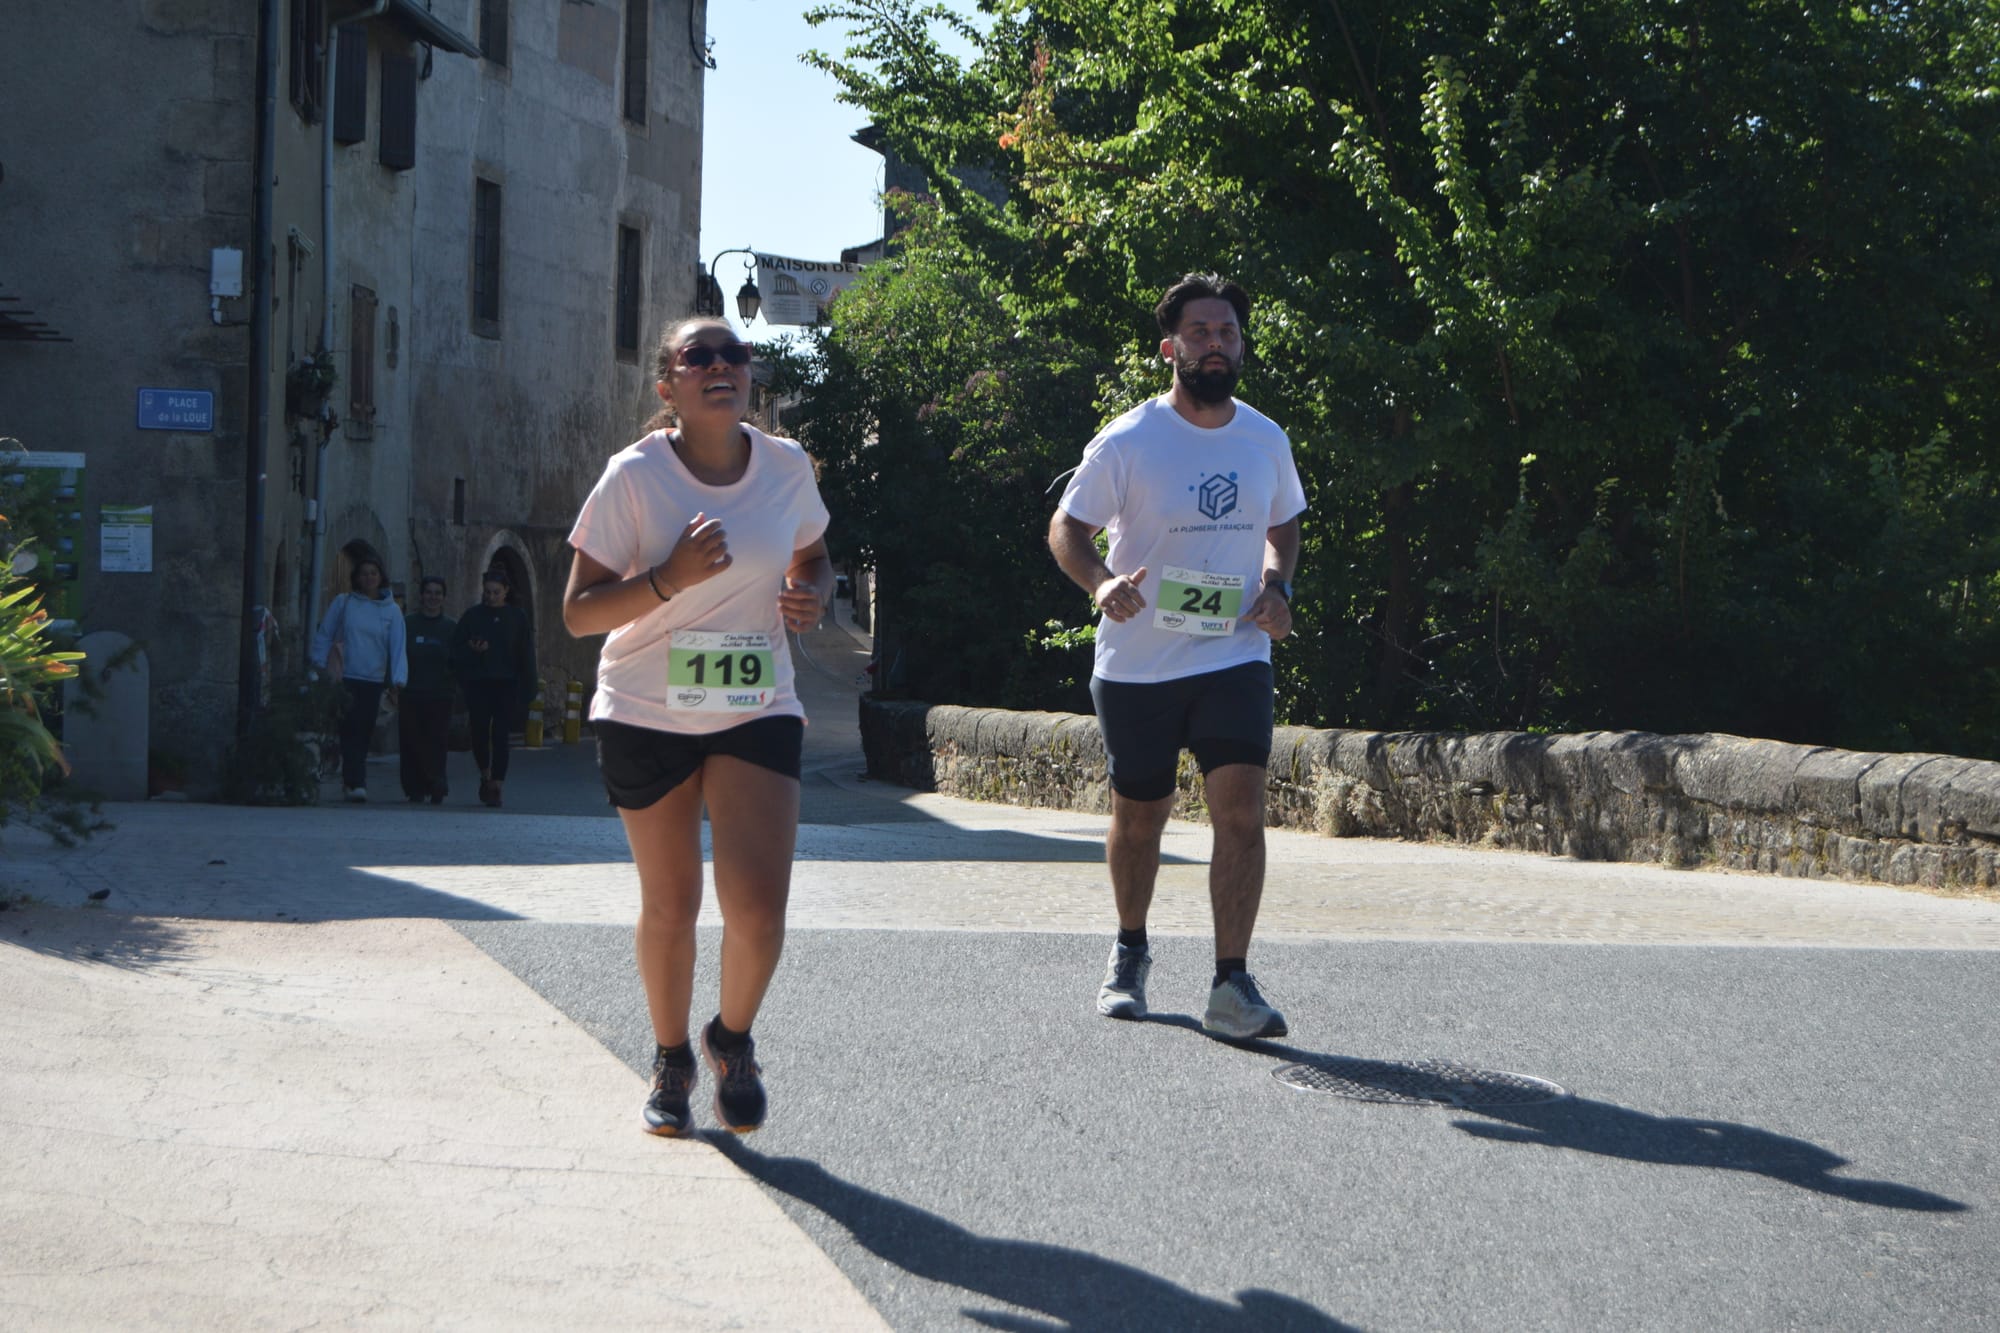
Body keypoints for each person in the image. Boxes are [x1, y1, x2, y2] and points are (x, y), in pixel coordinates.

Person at [563, 315, 832, 1137]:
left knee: (758, 911)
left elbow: (813, 554)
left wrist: (811, 593)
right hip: (647, 707)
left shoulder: (787, 468)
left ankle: (733, 1038)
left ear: (749, 375)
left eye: (733, 354)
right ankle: (673, 1056)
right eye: (698, 357)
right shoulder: (635, 477)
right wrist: (666, 579)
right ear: (668, 387)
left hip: (756, 704)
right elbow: (577, 613)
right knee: (672, 904)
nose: (720, 366)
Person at [1047, 273, 1306, 1041]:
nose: (1216, 344)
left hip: (1234, 653)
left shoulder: (1265, 437)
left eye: (1227, 331)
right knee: (1141, 817)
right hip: (1139, 663)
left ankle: (1231, 983)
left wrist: (1277, 585)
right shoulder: (1128, 439)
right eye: (1200, 332)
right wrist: (1099, 584)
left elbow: (1284, 523)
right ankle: (1130, 949)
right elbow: (1067, 530)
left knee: (1242, 812)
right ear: (1170, 348)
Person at [308, 557, 409, 803]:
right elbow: (325, 634)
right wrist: (317, 666)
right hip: (346, 676)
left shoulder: (391, 611)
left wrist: (398, 681)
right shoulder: (344, 604)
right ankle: (356, 781)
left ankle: (352, 779)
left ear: (380, 577)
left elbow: (397, 646)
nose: (369, 578)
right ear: (357, 578)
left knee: (363, 729)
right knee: (349, 727)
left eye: (373, 573)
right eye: (364, 573)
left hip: (372, 679)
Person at [450, 568, 536, 808]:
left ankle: (497, 784)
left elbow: (526, 654)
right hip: (478, 682)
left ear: (506, 591)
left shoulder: (517, 618)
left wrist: (529, 687)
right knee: (478, 731)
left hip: (506, 683)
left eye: (496, 592)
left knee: (500, 734)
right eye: (487, 592)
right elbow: (456, 650)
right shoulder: (472, 616)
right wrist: (472, 650)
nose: (491, 596)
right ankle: (485, 774)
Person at [400, 575, 457, 804]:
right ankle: (414, 786)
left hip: (440, 694)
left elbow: (456, 660)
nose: (433, 597)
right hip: (411, 691)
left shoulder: (451, 627)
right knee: (411, 740)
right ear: (421, 595)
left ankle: (436, 783)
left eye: (437, 593)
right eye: (429, 592)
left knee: (437, 741)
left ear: (443, 598)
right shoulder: (408, 624)